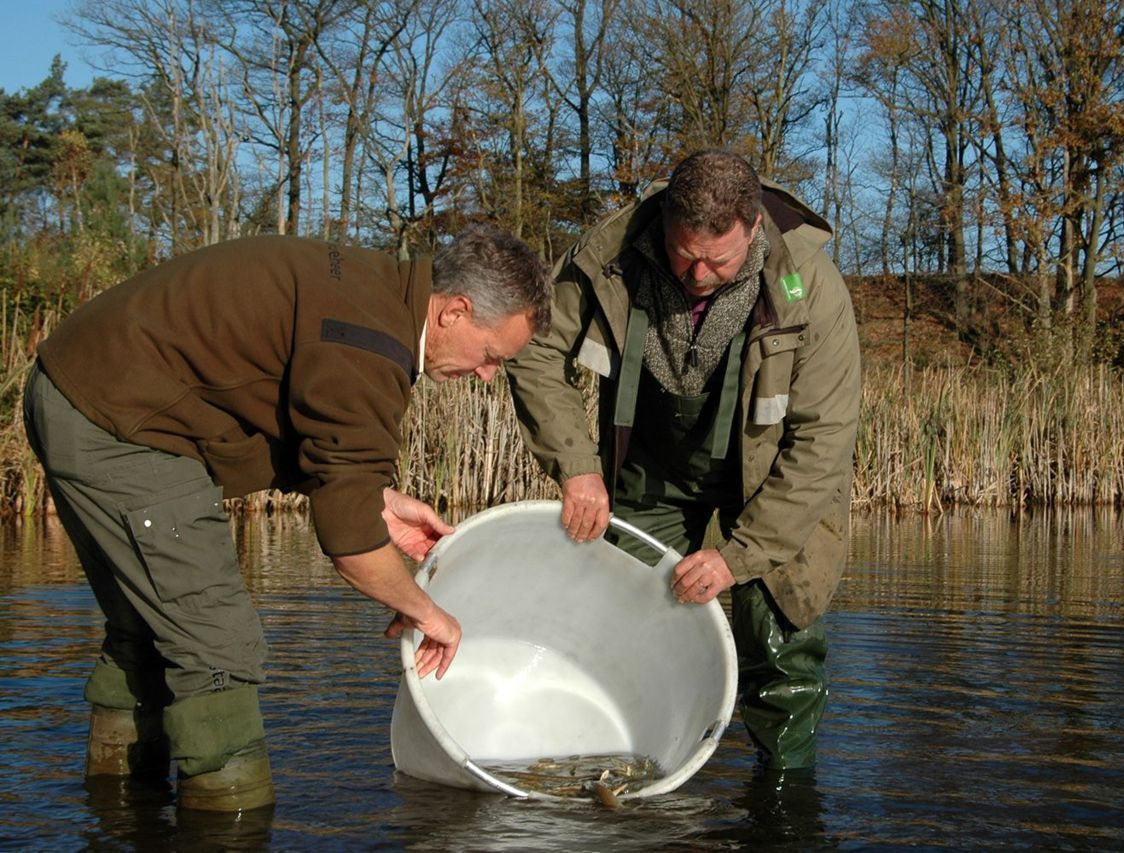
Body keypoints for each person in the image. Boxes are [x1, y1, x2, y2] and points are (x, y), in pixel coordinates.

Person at [23, 224, 550, 812]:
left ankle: (117, 810)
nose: (485, 375)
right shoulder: (370, 343)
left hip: (80, 388)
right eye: (491, 356)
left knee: (148, 630)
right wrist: (429, 614)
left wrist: (377, 500)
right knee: (216, 646)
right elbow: (349, 543)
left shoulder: (371, 295)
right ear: (455, 311)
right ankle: (229, 824)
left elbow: (314, 431)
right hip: (120, 423)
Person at [505, 149, 861, 771]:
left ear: (752, 231)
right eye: (682, 253)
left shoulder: (812, 288)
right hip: (652, 471)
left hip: (773, 483)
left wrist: (737, 558)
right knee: (624, 623)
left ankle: (783, 803)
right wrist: (578, 466)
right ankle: (621, 771)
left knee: (780, 641)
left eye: (716, 260)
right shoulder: (607, 256)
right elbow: (533, 351)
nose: (696, 273)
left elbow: (822, 442)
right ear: (664, 219)